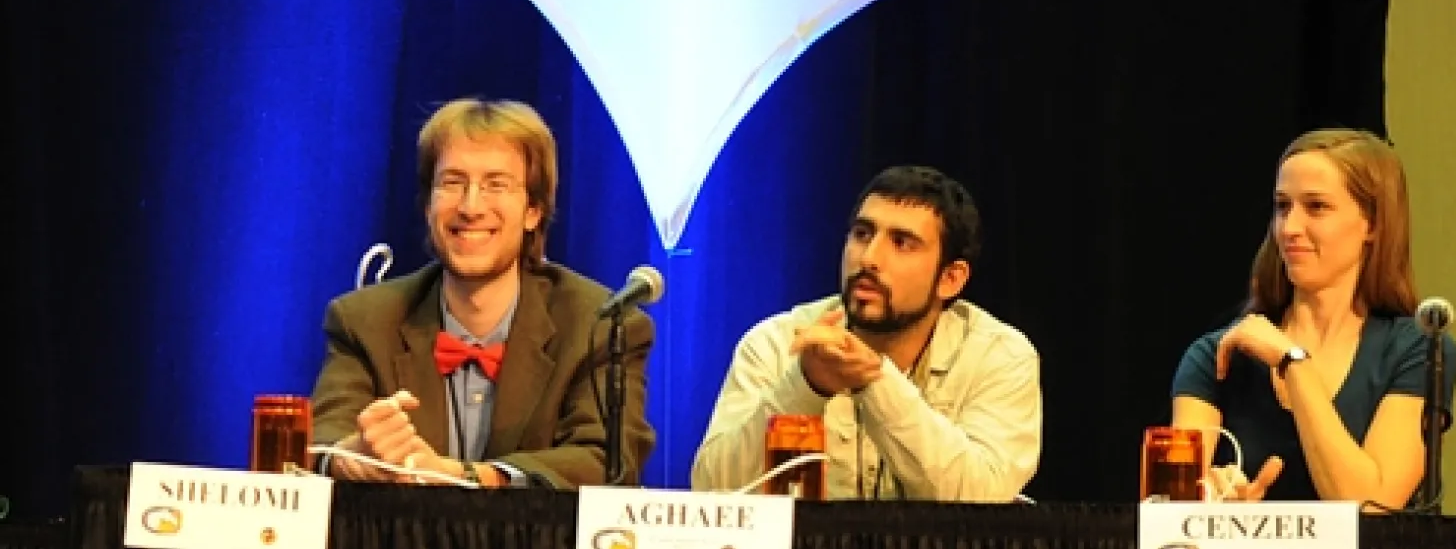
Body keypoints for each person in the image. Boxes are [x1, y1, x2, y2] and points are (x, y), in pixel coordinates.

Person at [309, 98, 656, 489]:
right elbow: (321, 445)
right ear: (428, 205)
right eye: (453, 183)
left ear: (533, 211)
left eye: (496, 185)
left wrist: (464, 478)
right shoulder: (365, 321)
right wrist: (354, 456)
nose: (471, 207)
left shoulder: (601, 326)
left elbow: (604, 461)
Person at [690, 166, 1040, 501]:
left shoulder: (1000, 356)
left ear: (951, 279)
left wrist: (875, 381)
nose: (869, 258)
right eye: (862, 234)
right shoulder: (779, 344)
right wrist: (804, 386)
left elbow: (981, 499)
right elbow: (713, 493)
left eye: (902, 242)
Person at [1170, 128, 1456, 507]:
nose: (1289, 228)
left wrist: (1293, 363)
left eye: (1316, 207)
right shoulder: (1217, 356)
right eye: (1281, 206)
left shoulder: (1420, 351)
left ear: (1372, 224)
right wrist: (1214, 499)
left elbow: (1369, 508)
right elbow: (1173, 508)